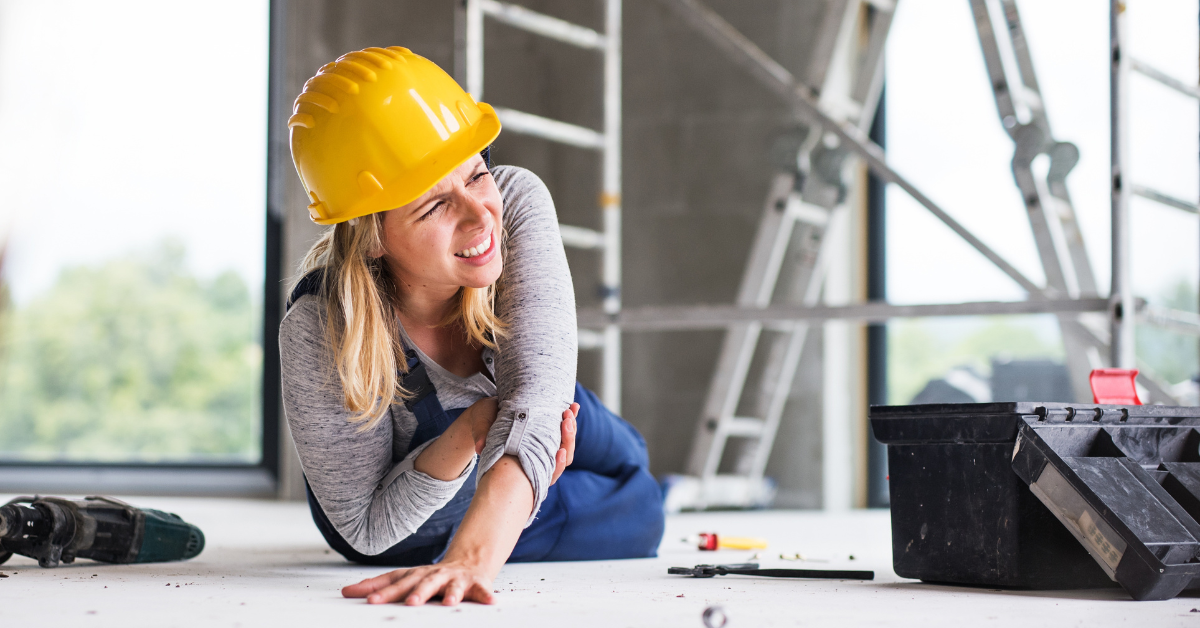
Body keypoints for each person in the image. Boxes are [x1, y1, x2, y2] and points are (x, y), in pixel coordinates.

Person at [279, 46, 664, 606]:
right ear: (372, 235)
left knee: (628, 453)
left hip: (539, 396)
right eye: (434, 206)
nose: (482, 214)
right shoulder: (322, 327)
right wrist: (470, 432)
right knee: (642, 516)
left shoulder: (515, 201)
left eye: (476, 173)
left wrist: (477, 547)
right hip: (432, 513)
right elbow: (363, 530)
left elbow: (536, 399)